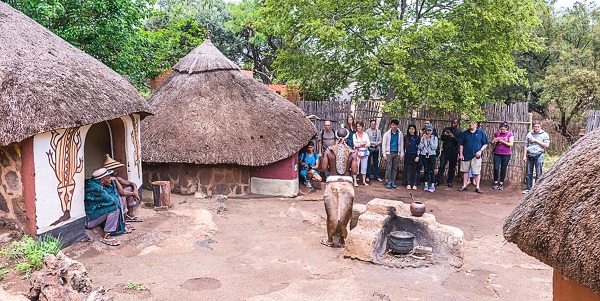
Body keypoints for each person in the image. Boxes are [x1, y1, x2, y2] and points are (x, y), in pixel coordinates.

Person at [320, 128, 358, 248]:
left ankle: (330, 239)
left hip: (332, 184)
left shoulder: (329, 150)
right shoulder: (352, 152)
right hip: (347, 185)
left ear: (336, 138)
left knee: (331, 213)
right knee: (345, 213)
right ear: (347, 138)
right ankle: (341, 240)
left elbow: (324, 168)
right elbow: (355, 171)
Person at [84, 168, 132, 246]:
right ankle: (105, 235)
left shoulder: (99, 184)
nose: (111, 178)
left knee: (116, 201)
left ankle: (118, 226)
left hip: (95, 215)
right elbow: (111, 201)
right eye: (108, 177)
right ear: (102, 179)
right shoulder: (95, 188)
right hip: (88, 220)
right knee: (114, 207)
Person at [103, 154, 143, 222]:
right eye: (114, 170)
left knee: (130, 188)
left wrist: (135, 190)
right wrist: (133, 194)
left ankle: (130, 214)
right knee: (122, 197)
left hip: (119, 194)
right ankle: (123, 219)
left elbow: (131, 184)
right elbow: (121, 193)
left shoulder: (117, 178)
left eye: (116, 169)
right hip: (112, 198)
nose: (116, 171)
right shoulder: (106, 180)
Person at [458, 121, 489, 194]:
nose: (471, 125)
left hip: (476, 156)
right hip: (466, 155)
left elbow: (485, 144)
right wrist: (461, 154)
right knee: (465, 171)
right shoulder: (465, 133)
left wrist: (480, 151)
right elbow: (461, 144)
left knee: (476, 172)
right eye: (470, 123)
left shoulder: (481, 133)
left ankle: (477, 187)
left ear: (476, 125)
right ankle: (464, 185)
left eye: (473, 123)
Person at [523, 120, 550, 194]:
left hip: (539, 155)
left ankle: (537, 189)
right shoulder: (529, 134)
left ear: (540, 127)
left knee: (539, 173)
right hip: (530, 154)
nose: (536, 128)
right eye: (535, 126)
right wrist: (524, 156)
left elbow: (546, 145)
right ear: (533, 127)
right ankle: (529, 188)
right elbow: (526, 145)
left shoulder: (544, 135)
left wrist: (536, 140)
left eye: (538, 127)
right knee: (529, 173)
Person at [435, 119, 462, 187]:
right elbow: (442, 139)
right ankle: (438, 180)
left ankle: (450, 181)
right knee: (441, 166)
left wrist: (452, 136)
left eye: (455, 123)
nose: (453, 124)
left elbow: (458, 142)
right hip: (445, 151)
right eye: (452, 123)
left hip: (453, 151)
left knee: (452, 167)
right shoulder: (446, 129)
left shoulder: (459, 132)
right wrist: (444, 135)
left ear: (457, 124)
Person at [382, 119, 404, 189]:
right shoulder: (387, 134)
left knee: (394, 168)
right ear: (391, 125)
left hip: (396, 153)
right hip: (389, 153)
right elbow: (384, 144)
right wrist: (384, 154)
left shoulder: (400, 134)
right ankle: (388, 181)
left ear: (397, 126)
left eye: (395, 125)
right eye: (393, 125)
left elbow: (401, 144)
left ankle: (392, 181)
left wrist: (401, 154)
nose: (394, 126)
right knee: (389, 168)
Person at [492, 122, 514, 190]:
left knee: (503, 168)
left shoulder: (510, 134)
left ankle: (501, 182)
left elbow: (511, 144)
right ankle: (495, 182)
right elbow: (493, 143)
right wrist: (495, 141)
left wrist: (503, 141)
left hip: (506, 153)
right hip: (497, 153)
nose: (502, 131)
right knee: (496, 167)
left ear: (506, 128)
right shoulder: (497, 134)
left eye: (503, 129)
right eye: (501, 129)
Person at [417, 125, 439, 192]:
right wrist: (423, 140)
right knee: (426, 169)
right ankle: (426, 184)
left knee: (432, 170)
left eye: (430, 130)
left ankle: (432, 184)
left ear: (432, 131)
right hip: (424, 154)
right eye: (427, 130)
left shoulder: (435, 138)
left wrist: (430, 141)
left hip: (432, 155)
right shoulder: (423, 137)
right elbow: (420, 147)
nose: (429, 132)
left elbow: (434, 147)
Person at [353, 121, 371, 186]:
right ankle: (355, 181)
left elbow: (368, 143)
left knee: (364, 167)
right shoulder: (354, 135)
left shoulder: (365, 134)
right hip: (357, 153)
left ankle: (364, 181)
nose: (358, 127)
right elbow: (355, 144)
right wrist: (362, 143)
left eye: (360, 126)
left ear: (362, 127)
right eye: (357, 126)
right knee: (356, 166)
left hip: (365, 152)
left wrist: (361, 144)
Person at [403, 124, 420, 190]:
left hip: (415, 155)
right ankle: (408, 183)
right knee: (408, 169)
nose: (411, 130)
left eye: (412, 129)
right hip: (408, 155)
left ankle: (415, 183)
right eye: (410, 129)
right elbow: (404, 147)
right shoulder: (406, 137)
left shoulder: (417, 138)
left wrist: (418, 156)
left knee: (415, 169)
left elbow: (419, 147)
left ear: (415, 130)